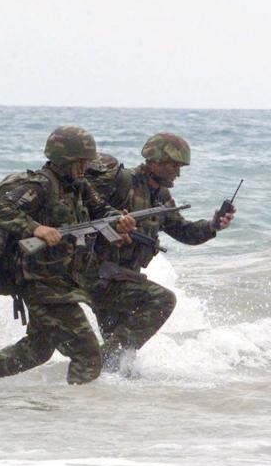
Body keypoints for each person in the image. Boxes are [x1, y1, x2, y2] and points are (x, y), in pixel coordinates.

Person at [0, 126, 137, 386]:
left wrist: (119, 222)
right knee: (88, 353)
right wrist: (35, 228)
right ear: (63, 160)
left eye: (86, 163)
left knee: (37, 350)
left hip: (62, 280)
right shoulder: (40, 185)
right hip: (40, 282)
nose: (84, 168)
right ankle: (81, 416)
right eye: (79, 163)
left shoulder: (79, 186)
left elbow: (102, 212)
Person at [86, 132, 234, 370]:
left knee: (121, 363)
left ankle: (94, 382)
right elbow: (84, 215)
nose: (178, 172)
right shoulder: (120, 182)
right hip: (98, 275)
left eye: (180, 166)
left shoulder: (162, 197)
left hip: (122, 277)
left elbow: (184, 232)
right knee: (162, 300)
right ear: (154, 161)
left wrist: (213, 225)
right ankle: (95, 364)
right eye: (173, 164)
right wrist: (114, 229)